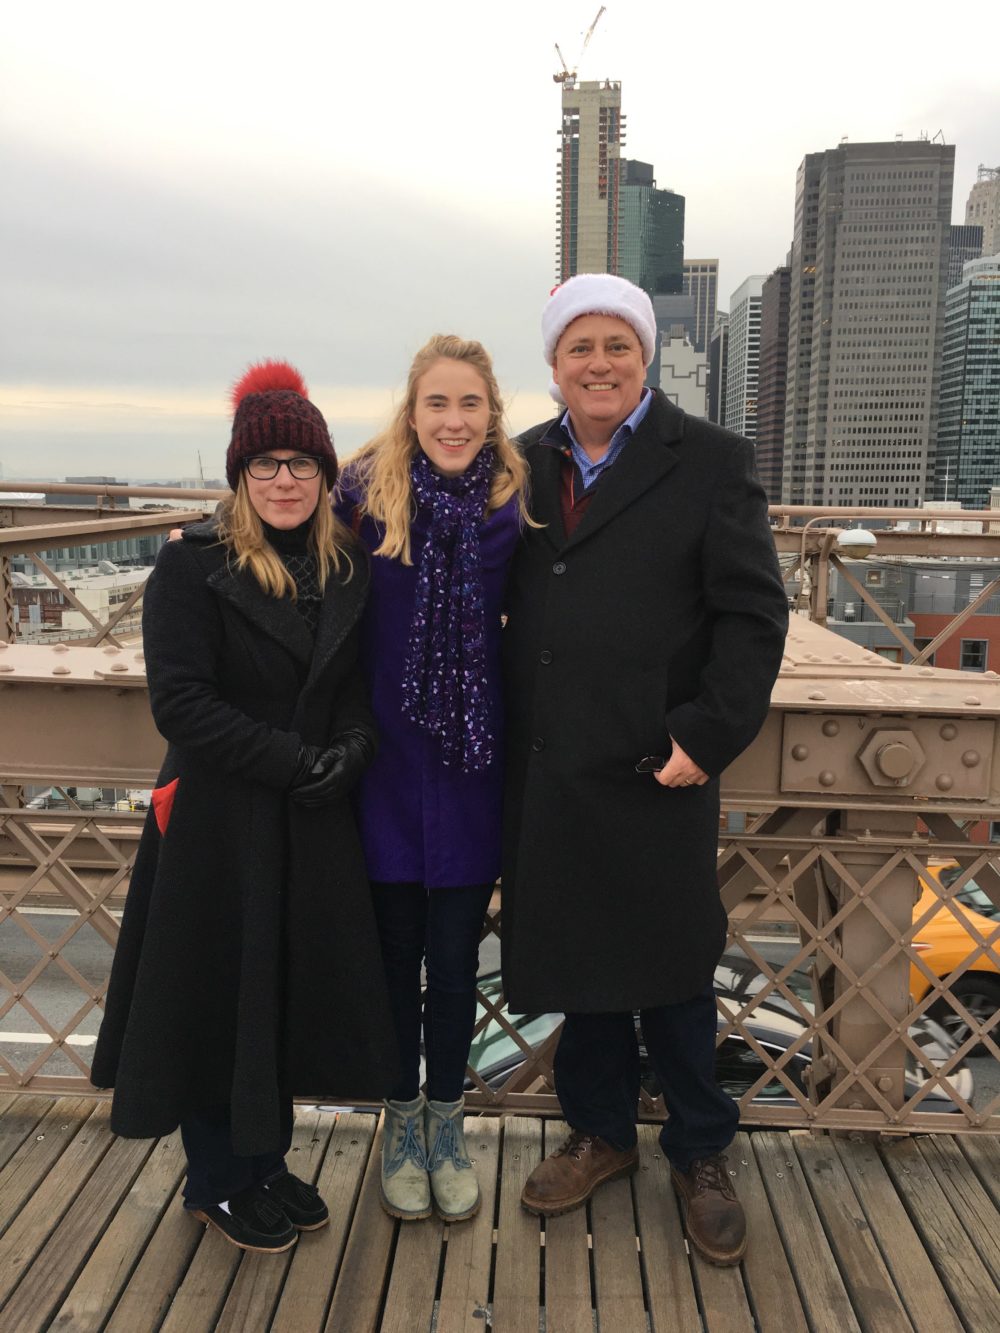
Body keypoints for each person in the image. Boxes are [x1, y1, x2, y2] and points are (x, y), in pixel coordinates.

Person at [501, 275, 788, 1265]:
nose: (599, 364)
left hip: (657, 760)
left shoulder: (709, 460)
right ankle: (601, 1133)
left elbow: (754, 617)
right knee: (581, 962)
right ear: (553, 366)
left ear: (646, 357)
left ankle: (700, 1150)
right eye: (579, 347)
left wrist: (706, 736)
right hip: (552, 759)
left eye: (617, 345)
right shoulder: (519, 463)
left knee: (671, 967)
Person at [92, 361, 398, 1255]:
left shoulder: (344, 565)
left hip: (307, 812)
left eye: (300, 464)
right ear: (238, 478)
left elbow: (352, 688)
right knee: (219, 990)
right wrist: (299, 759)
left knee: (283, 990)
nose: (283, 480)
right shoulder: (192, 568)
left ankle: (263, 1159)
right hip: (220, 821)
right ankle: (216, 1177)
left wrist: (353, 748)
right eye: (262, 465)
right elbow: (180, 704)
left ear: (323, 472)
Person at [336, 335, 533, 1223]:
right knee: (389, 963)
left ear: (494, 412)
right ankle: (398, 1121)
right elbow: (284, 547)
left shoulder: (518, 502)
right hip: (383, 763)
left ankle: (447, 1122)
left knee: (454, 966)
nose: (454, 421)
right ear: (410, 413)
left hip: (469, 768)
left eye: (470, 404)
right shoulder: (361, 493)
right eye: (437, 404)